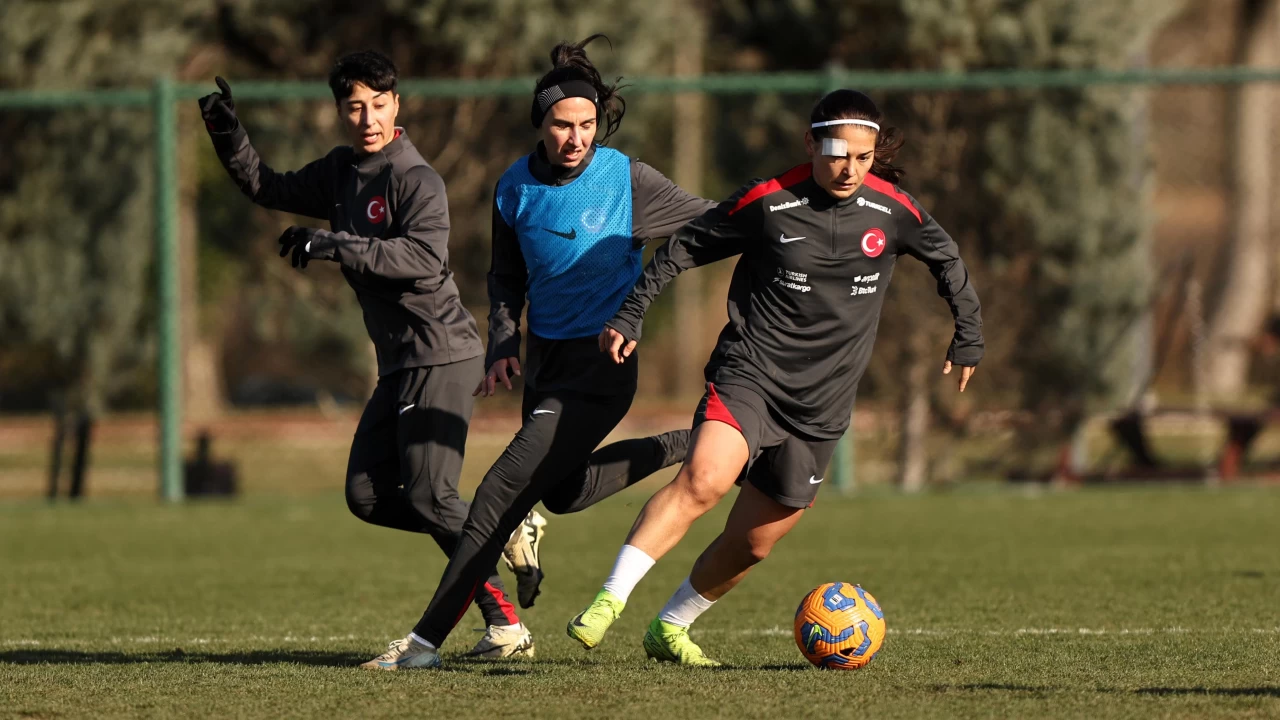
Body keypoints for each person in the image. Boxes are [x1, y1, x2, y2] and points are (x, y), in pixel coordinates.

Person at [567, 89, 985, 666]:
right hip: (751, 374)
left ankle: (670, 627)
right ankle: (609, 599)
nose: (850, 169)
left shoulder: (894, 211)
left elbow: (948, 259)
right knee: (705, 479)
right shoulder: (769, 202)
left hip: (823, 404)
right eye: (838, 154)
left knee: (755, 541)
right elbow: (683, 247)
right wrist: (632, 311)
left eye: (864, 158)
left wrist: (968, 333)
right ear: (811, 143)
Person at [360, 35, 714, 670]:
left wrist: (791, 216)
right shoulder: (513, 187)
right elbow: (505, 276)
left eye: (587, 125)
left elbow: (717, 222)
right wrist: (502, 340)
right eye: (562, 125)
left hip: (602, 369)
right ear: (541, 124)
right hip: (545, 364)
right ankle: (689, 445)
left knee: (499, 493)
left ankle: (421, 646)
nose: (576, 137)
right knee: (566, 493)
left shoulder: (629, 179)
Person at [198, 50, 538, 659]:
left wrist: (333, 242)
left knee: (433, 497)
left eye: (379, 104)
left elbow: (422, 259)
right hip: (400, 365)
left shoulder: (417, 179)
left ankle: (505, 622)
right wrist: (228, 134)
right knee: (368, 495)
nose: (368, 117)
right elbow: (267, 186)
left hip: (443, 355)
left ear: (397, 105)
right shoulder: (338, 172)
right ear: (340, 111)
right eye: (354, 106)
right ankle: (498, 532)